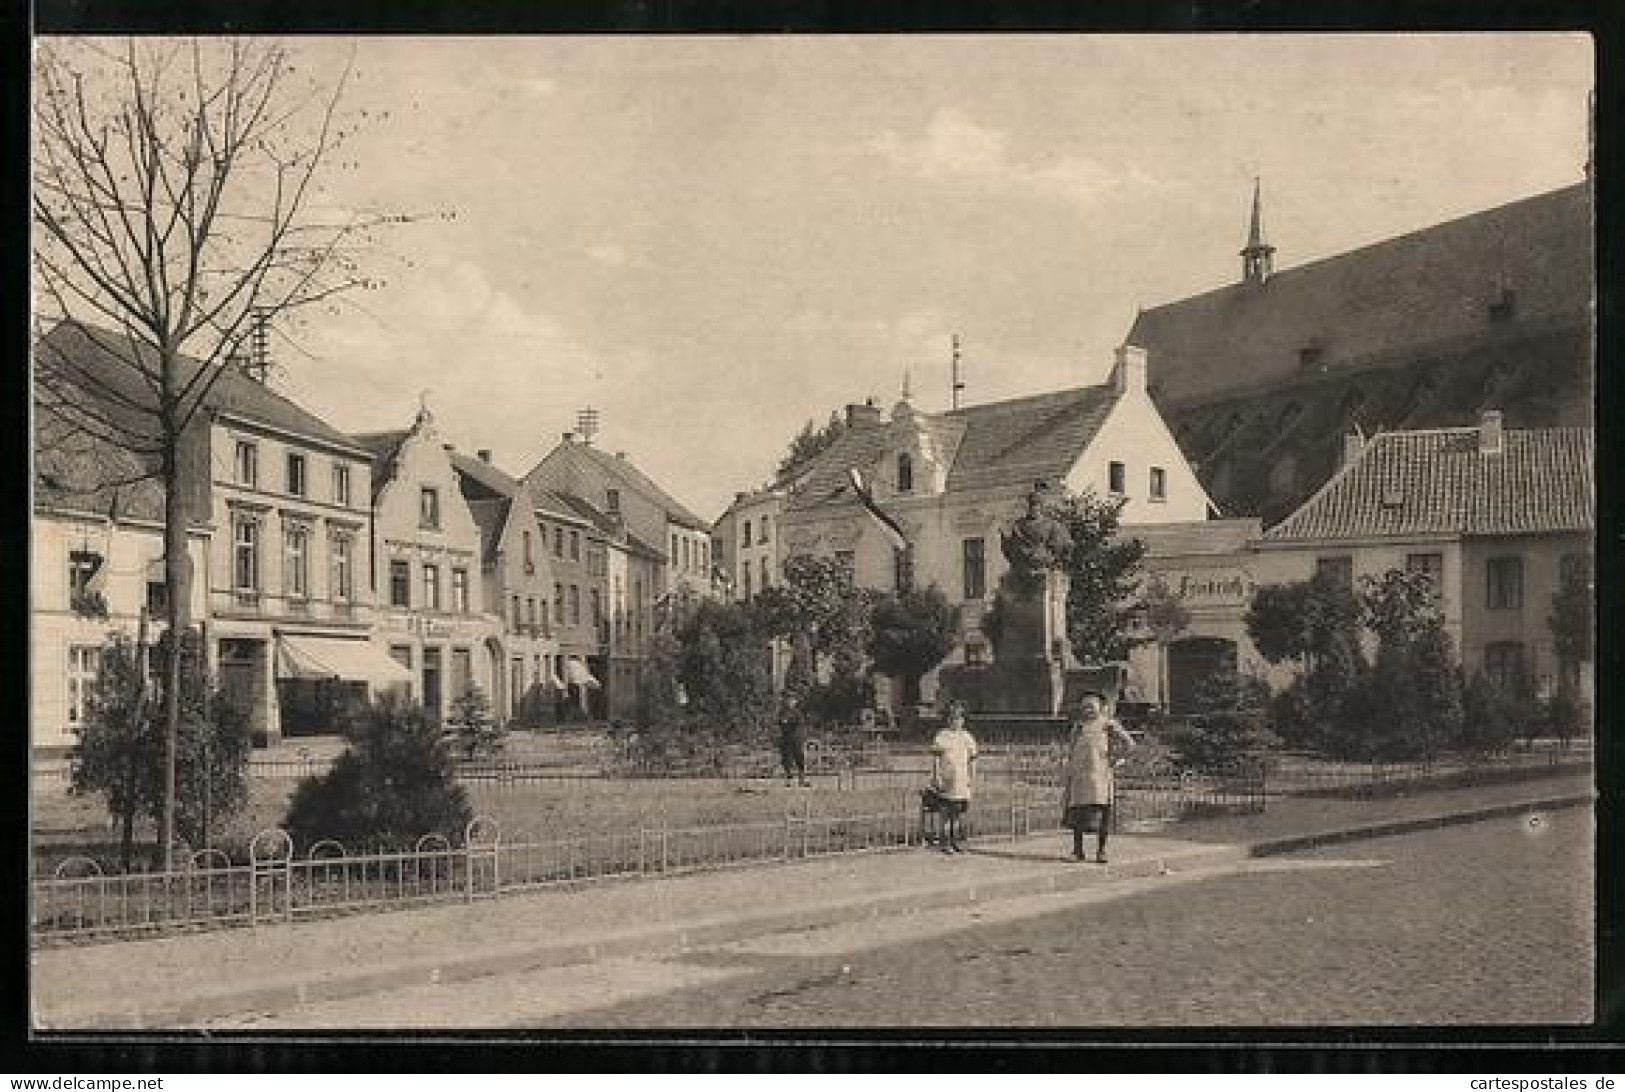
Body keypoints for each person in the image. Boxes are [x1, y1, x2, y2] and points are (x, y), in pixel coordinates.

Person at [1061, 690, 1137, 863]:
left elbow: (1130, 744)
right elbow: (1071, 750)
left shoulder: (1107, 724)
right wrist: (1069, 770)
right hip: (1079, 778)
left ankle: (1101, 851)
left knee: (1102, 814)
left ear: (1101, 707)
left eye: (1091, 705)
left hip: (1100, 776)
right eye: (1084, 706)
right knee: (1078, 814)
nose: (1088, 709)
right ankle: (1077, 851)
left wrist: (1118, 760)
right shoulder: (1079, 727)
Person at [930, 701, 979, 854]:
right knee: (946, 813)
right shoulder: (942, 736)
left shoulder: (967, 737)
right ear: (948, 719)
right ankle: (945, 842)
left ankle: (955, 841)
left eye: (959, 718)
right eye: (952, 718)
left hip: (962, 780)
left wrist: (972, 778)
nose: (955, 722)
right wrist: (937, 776)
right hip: (947, 779)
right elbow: (936, 759)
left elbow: (972, 760)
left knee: (957, 814)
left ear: (963, 720)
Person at [777, 696, 809, 787]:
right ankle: (788, 781)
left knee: (800, 759)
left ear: (795, 702)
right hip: (786, 739)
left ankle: (801, 780)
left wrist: (788, 722)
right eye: (788, 700)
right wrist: (783, 723)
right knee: (787, 760)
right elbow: (779, 722)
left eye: (792, 701)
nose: (790, 702)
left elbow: (799, 724)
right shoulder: (782, 712)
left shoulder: (798, 713)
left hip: (796, 739)